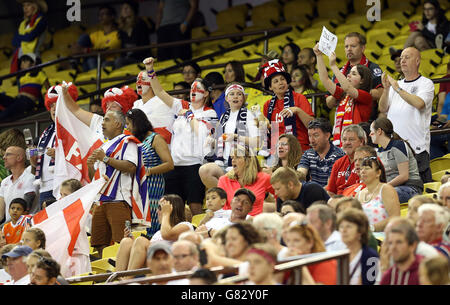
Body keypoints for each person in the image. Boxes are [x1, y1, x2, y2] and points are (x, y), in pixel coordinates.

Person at [144, 57, 217, 216]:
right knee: (170, 207)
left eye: (197, 89)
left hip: (195, 164)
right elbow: (160, 92)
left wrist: (190, 115)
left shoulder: (210, 113)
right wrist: (150, 70)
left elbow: (202, 133)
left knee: (195, 206)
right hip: (175, 164)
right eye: (191, 88)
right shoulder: (181, 107)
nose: (192, 91)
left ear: (205, 93)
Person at [86, 110, 141, 257]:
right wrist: (91, 167)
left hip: (119, 199)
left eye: (106, 120)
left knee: (122, 241)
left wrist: (105, 159)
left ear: (117, 123)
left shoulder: (127, 141)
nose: (102, 123)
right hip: (101, 201)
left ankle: (123, 272)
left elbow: (131, 166)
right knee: (99, 242)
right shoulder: (104, 146)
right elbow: (96, 179)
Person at [379, 47, 435, 183]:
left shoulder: (426, 83)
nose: (402, 60)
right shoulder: (394, 86)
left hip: (417, 148)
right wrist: (386, 90)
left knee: (417, 188)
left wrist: (397, 88)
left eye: (407, 57)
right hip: (395, 148)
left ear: (417, 61)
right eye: (401, 57)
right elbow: (382, 108)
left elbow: (419, 103)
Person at [199, 83, 259, 187]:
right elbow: (221, 139)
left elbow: (257, 142)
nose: (235, 96)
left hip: (243, 163)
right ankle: (227, 193)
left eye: (239, 94)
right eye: (232, 94)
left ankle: (229, 193)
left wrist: (236, 137)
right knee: (205, 171)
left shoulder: (249, 115)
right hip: (224, 161)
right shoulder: (224, 116)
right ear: (226, 98)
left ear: (244, 98)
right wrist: (213, 141)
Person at [313, 43, 373, 147]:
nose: (348, 75)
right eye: (349, 72)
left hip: (357, 144)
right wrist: (319, 56)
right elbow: (325, 80)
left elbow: (348, 88)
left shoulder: (366, 96)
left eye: (354, 74)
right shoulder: (343, 94)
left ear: (362, 80)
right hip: (340, 143)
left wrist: (333, 65)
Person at [115, 194, 193, 272]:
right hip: (151, 260)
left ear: (171, 209)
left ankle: (126, 280)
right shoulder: (159, 232)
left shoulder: (186, 225)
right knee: (126, 242)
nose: (157, 211)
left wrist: (166, 214)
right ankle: (117, 278)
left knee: (141, 241)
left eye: (160, 208)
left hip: (168, 261)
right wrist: (134, 242)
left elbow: (167, 235)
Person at [126, 108, 174, 234]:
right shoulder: (134, 141)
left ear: (137, 123)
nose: (127, 127)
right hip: (136, 186)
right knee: (138, 219)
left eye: (128, 123)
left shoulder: (155, 138)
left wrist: (148, 171)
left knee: (151, 217)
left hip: (152, 184)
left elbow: (169, 164)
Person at [30, 83, 79, 207]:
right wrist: (32, 158)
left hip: (63, 186)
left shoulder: (72, 128)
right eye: (51, 105)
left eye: (56, 104)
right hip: (43, 186)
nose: (53, 108)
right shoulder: (46, 133)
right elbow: (38, 158)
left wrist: (58, 154)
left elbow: (78, 154)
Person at [325, 32, 383, 121]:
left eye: (353, 46)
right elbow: (329, 103)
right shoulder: (340, 71)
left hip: (367, 121)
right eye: (346, 46)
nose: (349, 49)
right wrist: (339, 94)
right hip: (342, 121)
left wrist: (355, 93)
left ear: (363, 48)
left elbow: (381, 93)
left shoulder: (372, 67)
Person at [262, 59, 314, 152]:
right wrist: (263, 125)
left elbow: (313, 126)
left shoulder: (299, 98)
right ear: (270, 87)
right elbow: (265, 134)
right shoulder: (267, 105)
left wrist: (297, 110)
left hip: (298, 149)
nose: (281, 83)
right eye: (276, 81)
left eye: (283, 79)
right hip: (276, 151)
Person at [370, 117, 423, 203]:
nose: (369, 134)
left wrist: (383, 188)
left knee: (380, 197)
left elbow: (404, 176)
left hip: (410, 187)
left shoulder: (398, 145)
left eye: (371, 131)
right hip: (391, 188)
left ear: (379, 131)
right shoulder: (378, 152)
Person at [217, 145, 274, 216]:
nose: (233, 160)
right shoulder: (224, 180)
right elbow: (220, 208)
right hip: (231, 222)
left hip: (255, 223)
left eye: (237, 157)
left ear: (248, 161)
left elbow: (281, 195)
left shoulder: (263, 178)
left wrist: (278, 213)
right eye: (232, 158)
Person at [356, 156, 401, 232]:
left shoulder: (386, 189)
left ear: (378, 173)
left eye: (367, 168)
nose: (363, 171)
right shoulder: (359, 194)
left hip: (384, 236)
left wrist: (371, 228)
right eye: (361, 169)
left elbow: (395, 217)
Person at [1, 53, 49, 121]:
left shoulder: (40, 74)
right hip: (19, 99)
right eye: (21, 62)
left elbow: (48, 89)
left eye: (25, 61)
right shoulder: (23, 77)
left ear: (33, 62)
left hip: (28, 101)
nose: (22, 64)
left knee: (6, 113)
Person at [337, 208, 380, 285]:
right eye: (341, 227)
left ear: (360, 231)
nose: (344, 230)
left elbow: (370, 283)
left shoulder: (370, 256)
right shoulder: (337, 253)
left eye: (349, 226)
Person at [297, 118, 345, 187]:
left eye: (316, 135)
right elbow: (300, 174)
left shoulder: (338, 155)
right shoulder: (308, 154)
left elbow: (330, 187)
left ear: (327, 136)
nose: (312, 140)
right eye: (309, 136)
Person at [133, 71, 177, 144]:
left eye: (143, 79)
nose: (139, 82)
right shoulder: (136, 104)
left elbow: (167, 131)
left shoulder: (163, 103)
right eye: (137, 79)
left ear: (152, 83)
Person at [76, 5, 123, 71]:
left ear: (112, 16)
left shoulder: (118, 34)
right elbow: (76, 48)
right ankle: (74, 64)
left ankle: (93, 78)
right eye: (99, 15)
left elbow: (105, 52)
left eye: (103, 14)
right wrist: (82, 50)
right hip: (94, 62)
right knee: (84, 37)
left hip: (108, 63)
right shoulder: (96, 34)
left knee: (90, 59)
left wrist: (88, 51)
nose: (100, 17)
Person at [325, 124, 366, 196]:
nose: (347, 142)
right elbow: (331, 192)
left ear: (361, 141)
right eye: (344, 139)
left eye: (351, 139)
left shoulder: (369, 160)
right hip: (338, 202)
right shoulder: (338, 163)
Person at [0, 146, 36, 224]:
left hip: (26, 227)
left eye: (8, 154)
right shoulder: (4, 182)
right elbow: (0, 213)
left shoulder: (30, 178)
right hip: (10, 228)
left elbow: (23, 210)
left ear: (19, 158)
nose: (4, 157)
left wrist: (4, 226)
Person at [10, 0, 48, 73]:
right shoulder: (23, 24)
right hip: (20, 59)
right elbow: (14, 41)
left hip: (33, 60)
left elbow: (30, 37)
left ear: (35, 7)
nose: (25, 8)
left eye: (28, 5)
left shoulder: (41, 20)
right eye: (24, 6)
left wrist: (21, 37)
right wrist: (25, 37)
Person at [380, 221, 422, 285]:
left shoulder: (424, 272)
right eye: (390, 243)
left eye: (399, 242)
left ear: (413, 246)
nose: (393, 247)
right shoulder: (389, 275)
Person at [114, 1, 151, 69]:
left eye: (127, 8)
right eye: (123, 8)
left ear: (133, 10)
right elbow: (122, 48)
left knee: (119, 61)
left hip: (140, 58)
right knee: (106, 63)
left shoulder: (141, 24)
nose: (124, 10)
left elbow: (144, 46)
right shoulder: (121, 28)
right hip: (126, 58)